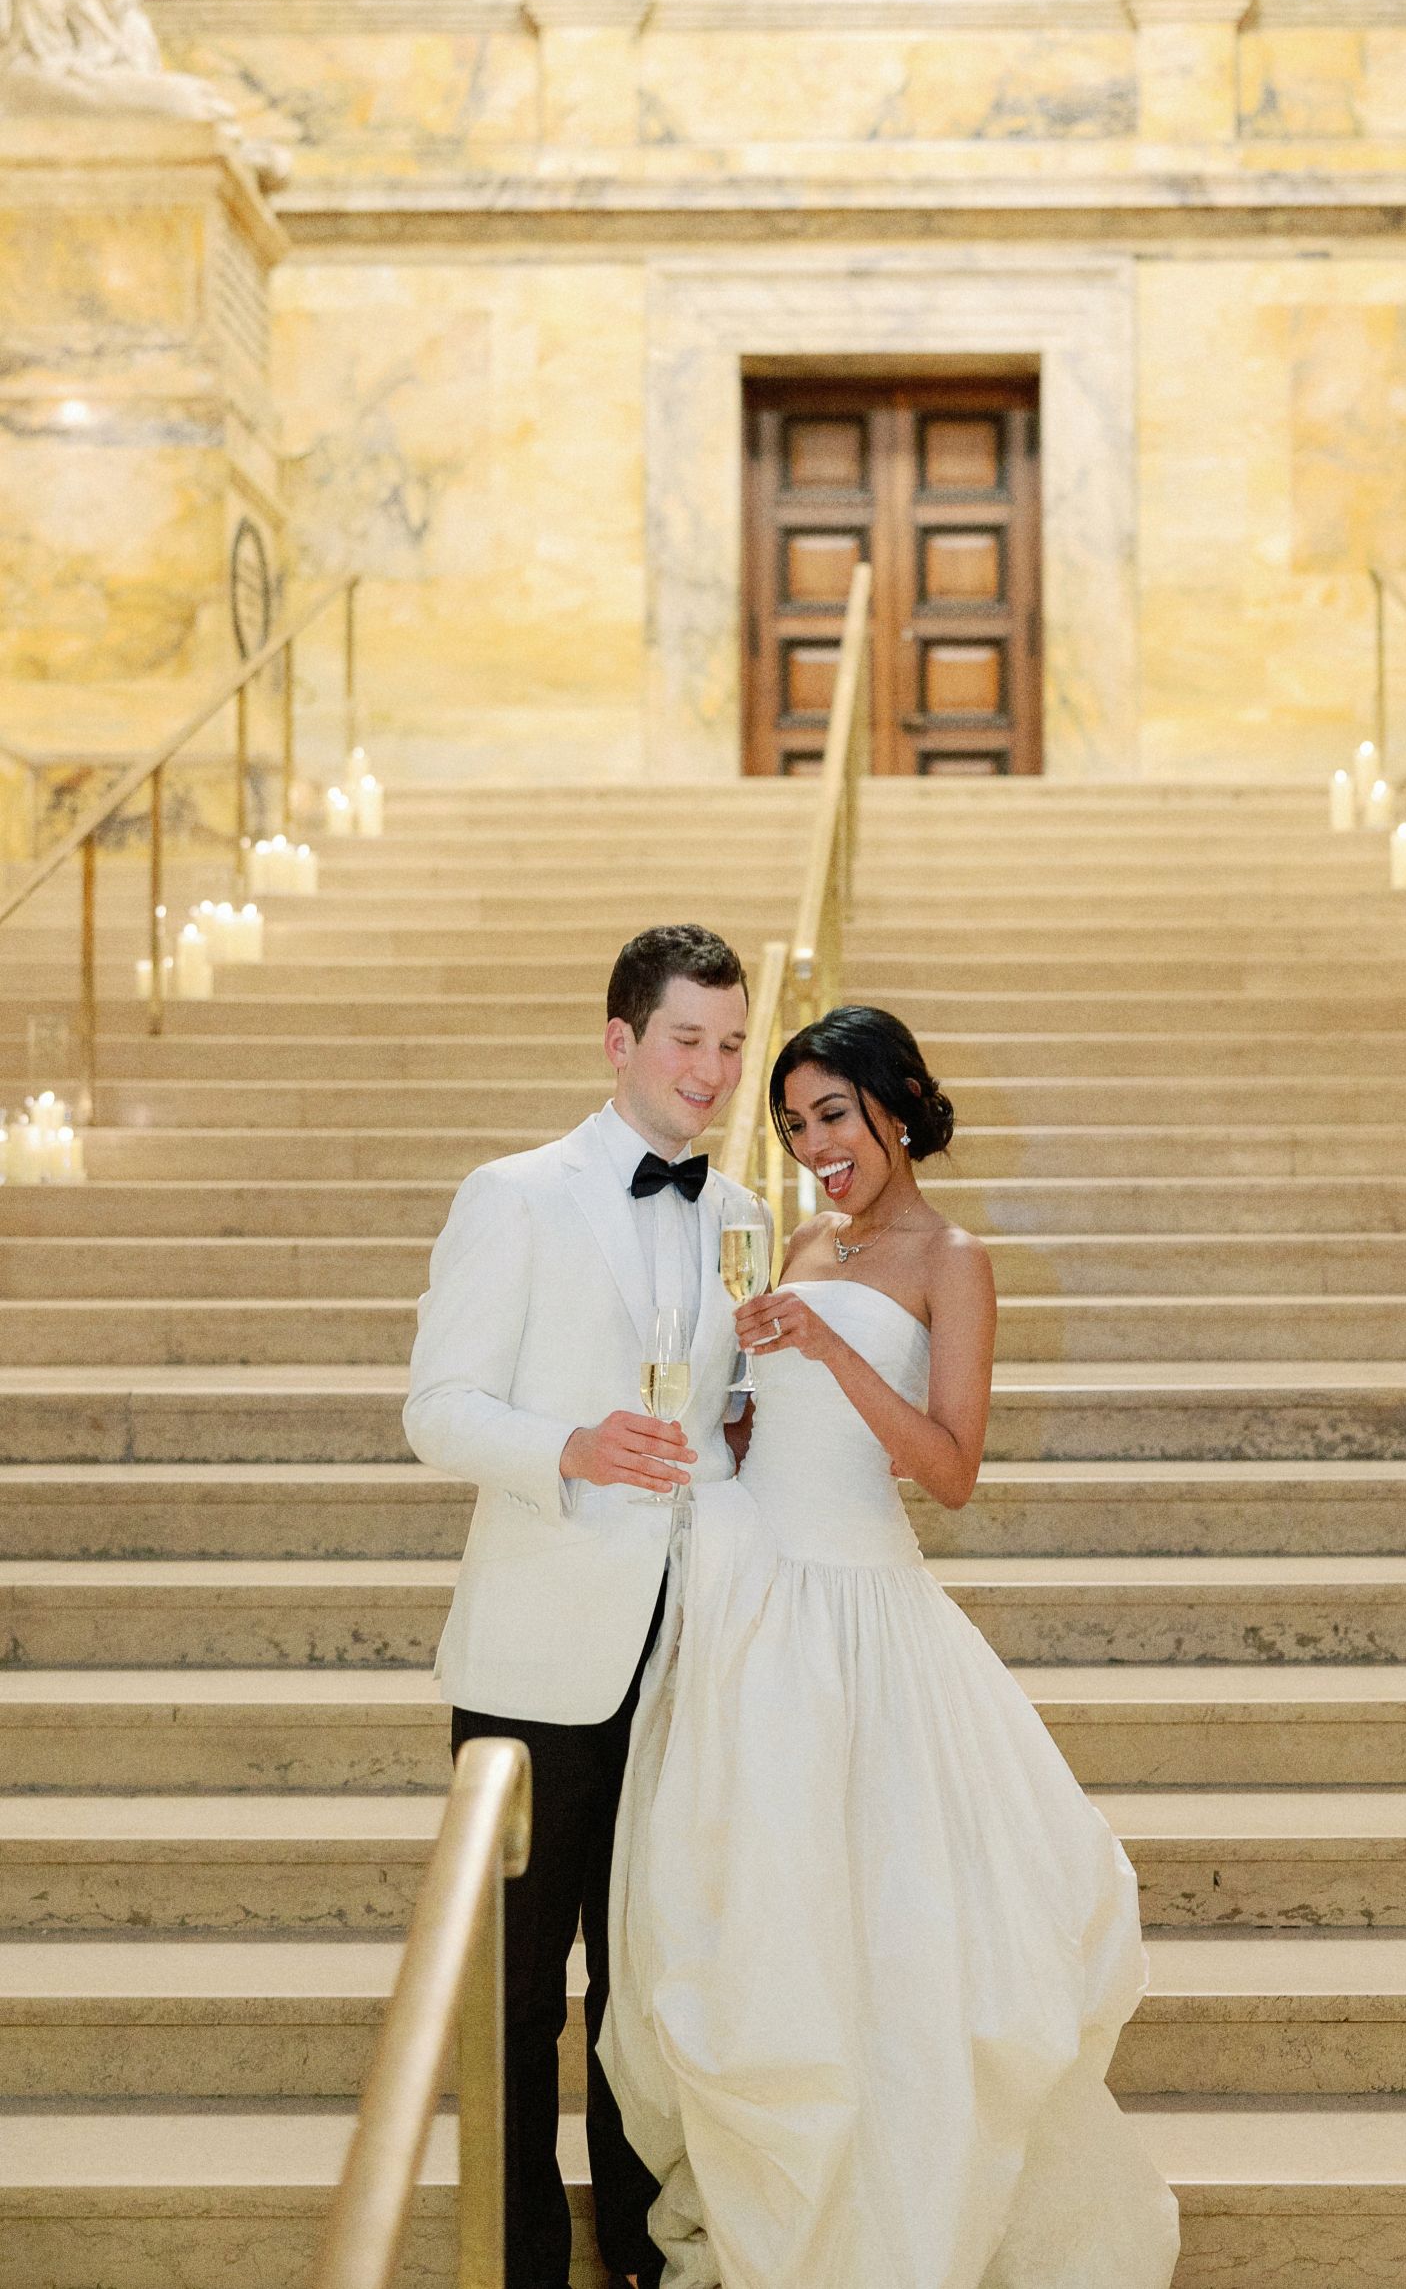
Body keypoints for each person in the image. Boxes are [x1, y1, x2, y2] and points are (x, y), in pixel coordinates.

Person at [600, 1004, 1180, 2289]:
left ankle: (903, 2204)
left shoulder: (951, 1258)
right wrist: (735, 1409)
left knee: (899, 1922)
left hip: (869, 1606)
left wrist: (829, 1352)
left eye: (836, 1117)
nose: (817, 1147)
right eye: (797, 1123)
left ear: (896, 1106)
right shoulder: (797, 1238)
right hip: (761, 1603)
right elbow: (762, 1421)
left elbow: (951, 1470)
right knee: (760, 1917)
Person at [404, 924, 768, 2289]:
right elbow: (437, 1411)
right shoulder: (515, 1195)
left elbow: (727, 1426)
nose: (714, 1070)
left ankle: (635, 2252)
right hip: (535, 1668)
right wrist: (569, 1446)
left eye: (732, 1045)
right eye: (689, 1040)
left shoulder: (741, 1214)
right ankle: (519, 2261)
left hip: (688, 1660)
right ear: (620, 1042)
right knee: (514, 1999)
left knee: (647, 1990)